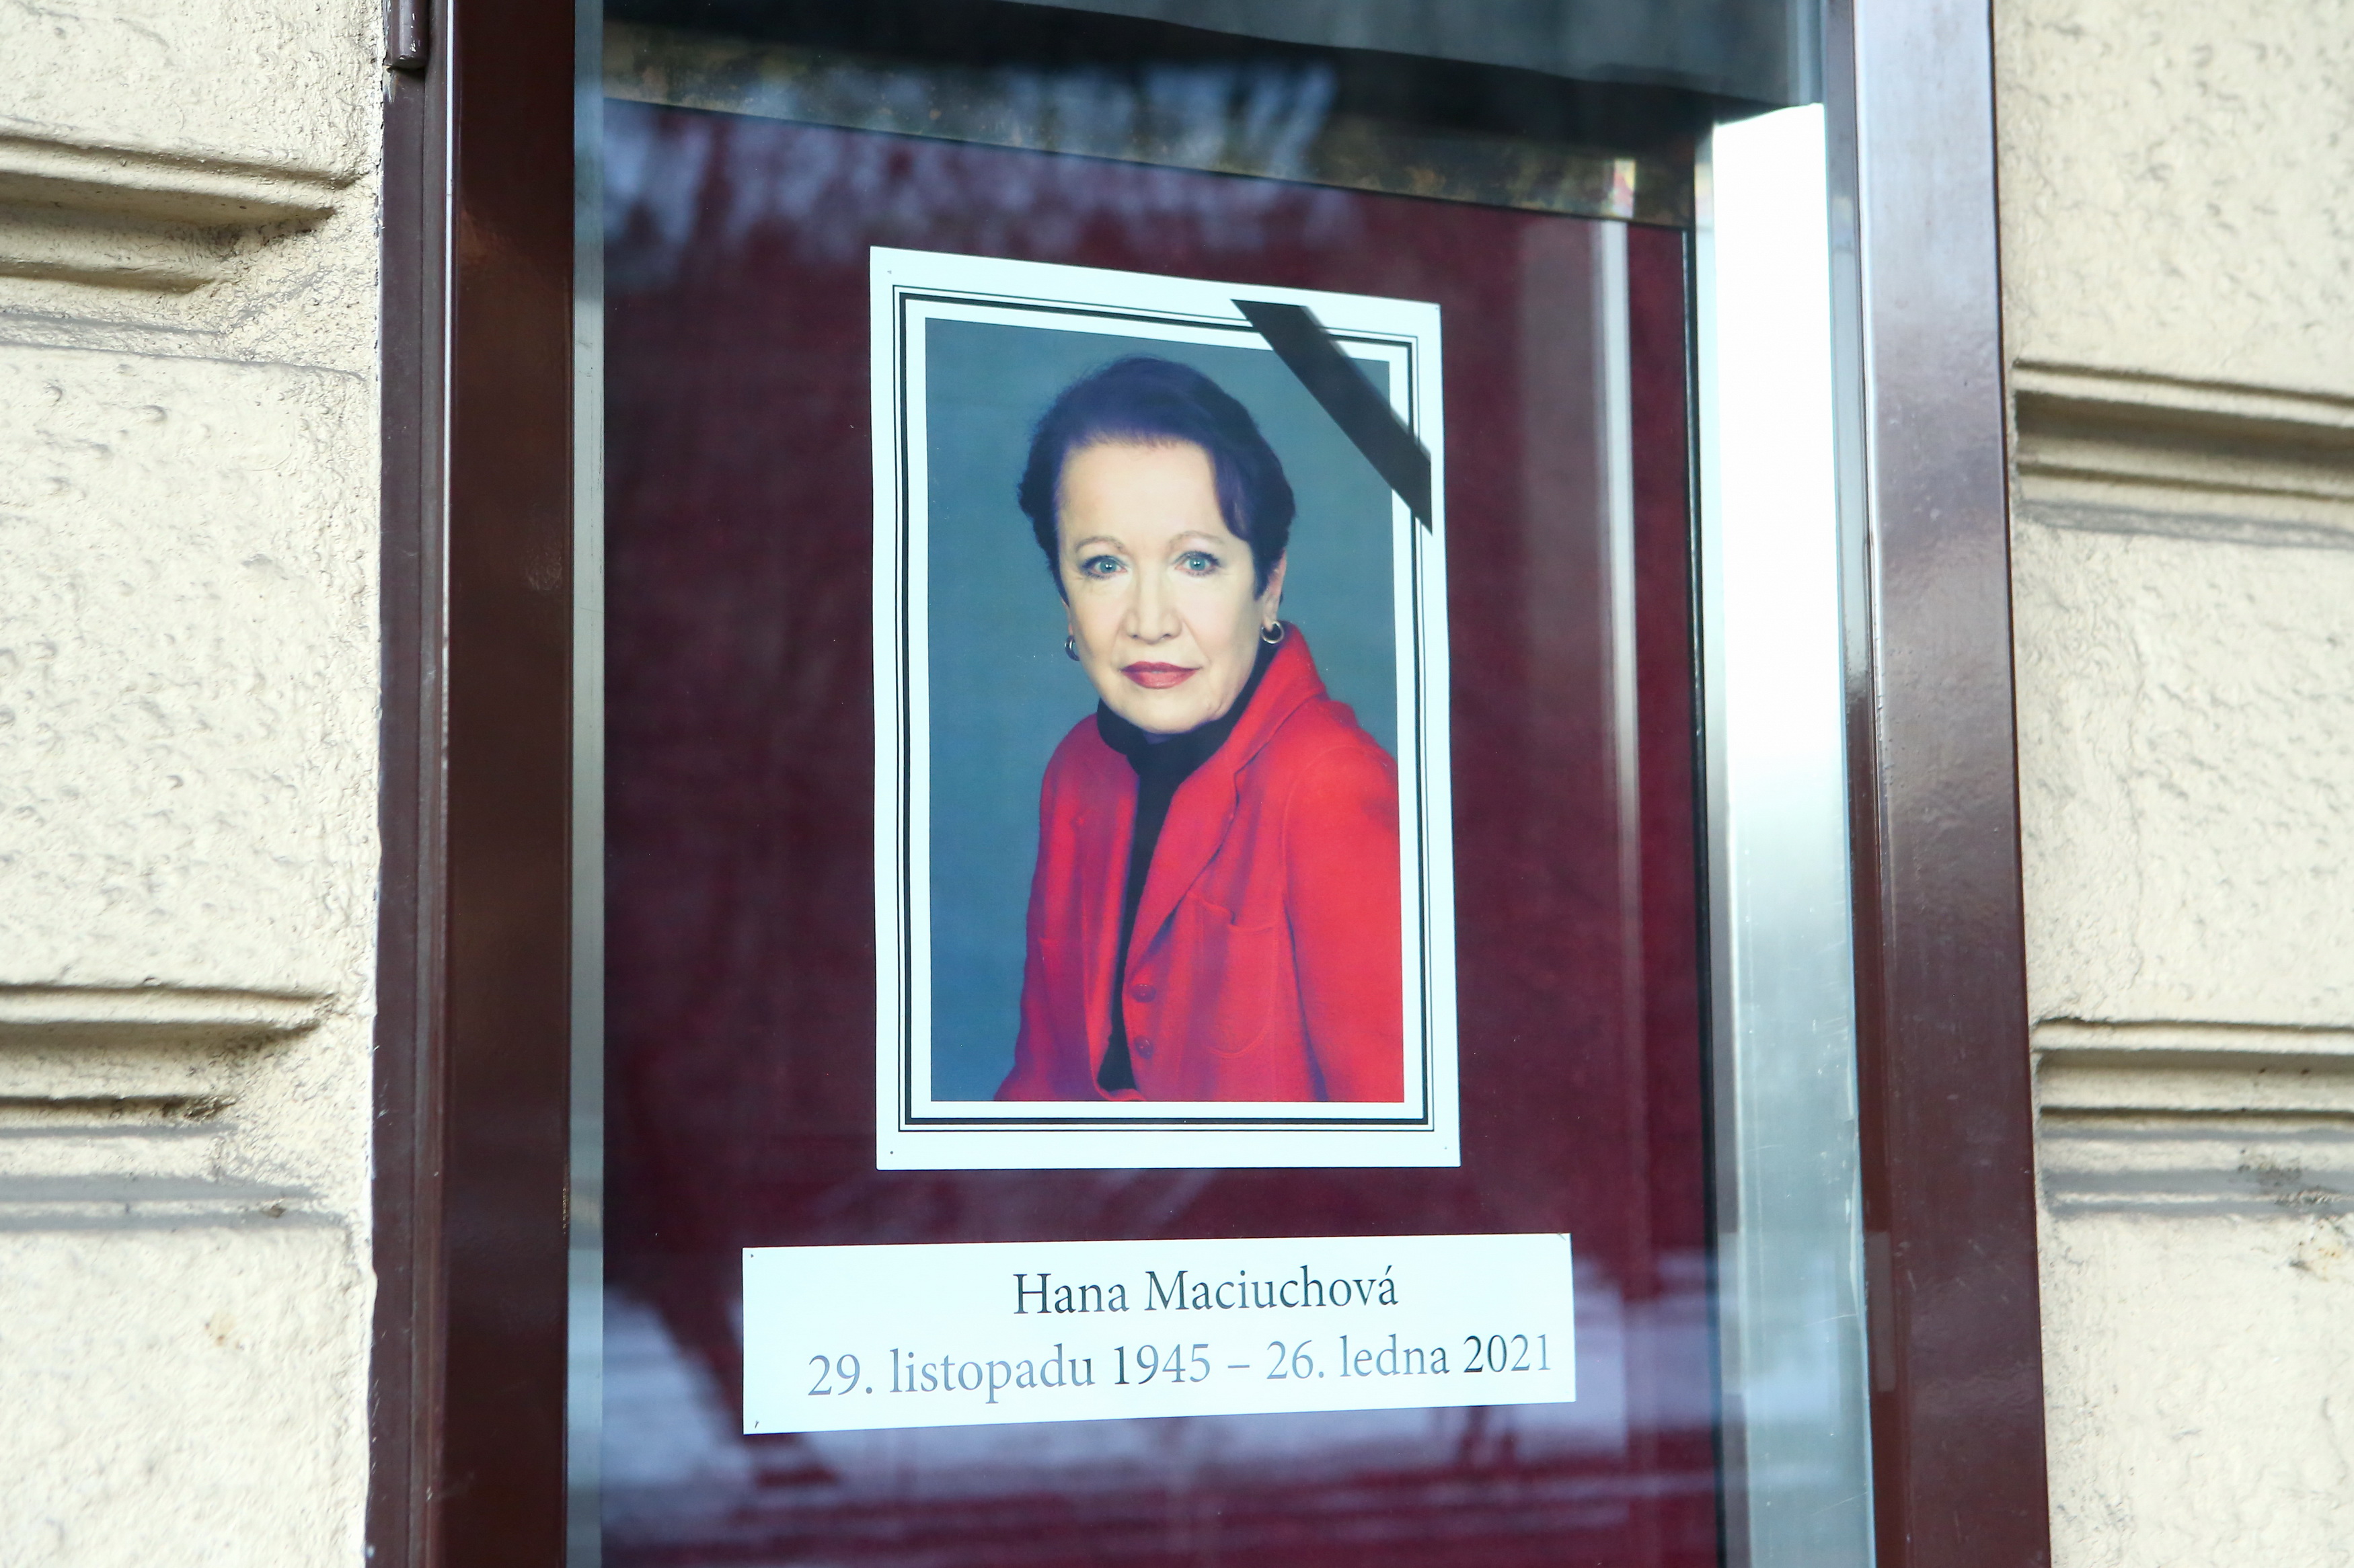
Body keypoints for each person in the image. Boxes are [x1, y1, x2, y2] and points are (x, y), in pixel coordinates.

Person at [994, 355, 1404, 1103]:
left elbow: (1397, 1142)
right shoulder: (1077, 767)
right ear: (1064, 595)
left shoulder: (1331, 787)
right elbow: (1040, 1091)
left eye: (1195, 561)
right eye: (1104, 566)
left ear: (1267, 583)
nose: (1150, 622)